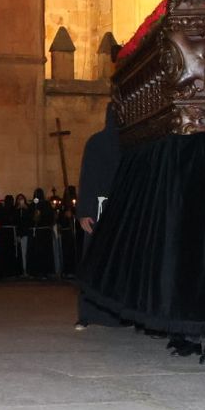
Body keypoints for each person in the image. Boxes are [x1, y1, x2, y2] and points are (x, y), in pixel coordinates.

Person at [75, 107, 122, 329]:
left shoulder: (131, 144)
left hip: (121, 211)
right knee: (94, 261)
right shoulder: (96, 143)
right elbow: (88, 179)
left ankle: (118, 313)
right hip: (98, 211)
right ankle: (88, 312)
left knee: (119, 263)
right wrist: (84, 212)